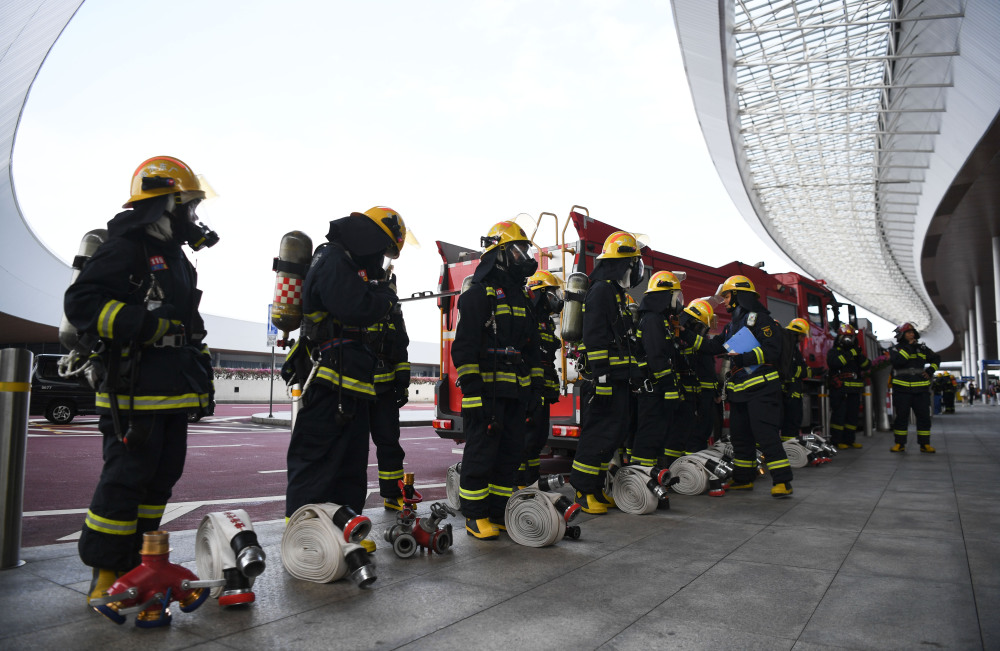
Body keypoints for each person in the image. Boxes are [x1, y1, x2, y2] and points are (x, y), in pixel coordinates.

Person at [65, 156, 217, 604]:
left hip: (170, 393)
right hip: (133, 395)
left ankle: (139, 562)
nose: (192, 216)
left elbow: (190, 326)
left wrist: (200, 383)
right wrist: (144, 325)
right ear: (163, 204)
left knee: (160, 481)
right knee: (124, 481)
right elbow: (83, 304)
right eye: (186, 206)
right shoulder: (126, 247)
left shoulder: (177, 258)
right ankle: (105, 570)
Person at [284, 207, 406, 541]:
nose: (380, 260)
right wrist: (384, 292)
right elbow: (359, 308)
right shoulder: (333, 260)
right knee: (316, 461)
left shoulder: (348, 265)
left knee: (350, 465)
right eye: (381, 250)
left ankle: (343, 532)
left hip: (350, 384)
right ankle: (304, 536)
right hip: (328, 382)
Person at [452, 221, 542, 539]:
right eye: (519, 250)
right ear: (500, 254)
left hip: (515, 392)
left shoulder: (521, 299)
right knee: (481, 453)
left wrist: (533, 390)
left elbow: (531, 350)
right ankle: (475, 515)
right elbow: (463, 349)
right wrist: (473, 394)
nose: (525, 257)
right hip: (487, 393)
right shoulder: (479, 295)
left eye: (526, 250)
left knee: (510, 453)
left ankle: (498, 511)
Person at [679, 275, 794, 498]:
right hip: (741, 392)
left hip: (762, 389)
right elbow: (713, 346)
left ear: (740, 295)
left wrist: (744, 358)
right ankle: (743, 478)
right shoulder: (732, 326)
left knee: (766, 434)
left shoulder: (760, 319)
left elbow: (772, 350)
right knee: (740, 436)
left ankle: (783, 481)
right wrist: (687, 334)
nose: (725, 300)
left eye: (728, 295)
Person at [570, 231, 646, 513]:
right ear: (619, 264)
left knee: (613, 435)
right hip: (604, 381)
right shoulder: (601, 290)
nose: (634, 270)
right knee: (597, 436)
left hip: (619, 381)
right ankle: (582, 489)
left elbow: (624, 340)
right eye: (632, 264)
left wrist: (635, 374)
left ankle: (597, 487)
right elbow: (595, 339)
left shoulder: (617, 294)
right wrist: (601, 379)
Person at [632, 271, 684, 477]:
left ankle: (650, 477)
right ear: (665, 296)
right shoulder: (653, 320)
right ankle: (641, 480)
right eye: (676, 296)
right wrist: (670, 386)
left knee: (655, 436)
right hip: (652, 389)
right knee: (649, 436)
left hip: (655, 388)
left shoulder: (658, 319)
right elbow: (656, 357)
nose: (678, 302)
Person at [519, 270, 563, 487]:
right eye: (552, 293)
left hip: (542, 388)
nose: (556, 298)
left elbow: (546, 359)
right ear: (539, 293)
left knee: (537, 438)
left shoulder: (547, 321)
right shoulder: (527, 316)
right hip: (527, 388)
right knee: (524, 439)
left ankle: (532, 481)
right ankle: (520, 483)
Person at [367, 294, 411, 511]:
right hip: (354, 390)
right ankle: (345, 502)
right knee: (352, 448)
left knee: (389, 444)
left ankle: (392, 494)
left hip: (384, 392)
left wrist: (402, 383)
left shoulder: (393, 312)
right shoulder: (354, 300)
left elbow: (401, 347)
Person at [888, 322, 940, 453]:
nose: (912, 334)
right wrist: (908, 348)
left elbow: (936, 359)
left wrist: (930, 371)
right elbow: (898, 362)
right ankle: (899, 444)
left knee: (924, 418)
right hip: (902, 390)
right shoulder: (896, 349)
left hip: (921, 390)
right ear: (902, 335)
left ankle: (925, 444)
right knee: (901, 418)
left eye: (912, 332)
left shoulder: (922, 348)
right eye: (908, 332)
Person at [680, 298, 721, 453]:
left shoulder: (696, 340)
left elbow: (709, 369)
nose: (707, 330)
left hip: (706, 396)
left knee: (701, 433)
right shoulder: (691, 341)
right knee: (696, 435)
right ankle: (692, 468)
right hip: (698, 397)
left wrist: (716, 391)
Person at [826, 323, 871, 449]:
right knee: (839, 416)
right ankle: (837, 440)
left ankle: (850, 440)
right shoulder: (834, 352)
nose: (848, 340)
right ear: (839, 338)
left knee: (852, 416)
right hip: (840, 390)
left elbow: (867, 366)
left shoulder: (856, 353)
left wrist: (859, 355)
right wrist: (851, 353)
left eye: (850, 337)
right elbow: (835, 363)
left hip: (854, 391)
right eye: (845, 337)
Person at [780, 318, 811, 441]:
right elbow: (792, 369)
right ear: (796, 333)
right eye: (802, 336)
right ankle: (790, 450)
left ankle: (790, 449)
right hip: (790, 393)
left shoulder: (790, 345)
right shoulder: (788, 346)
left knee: (791, 423)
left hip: (791, 392)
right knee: (791, 423)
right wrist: (805, 371)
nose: (803, 339)